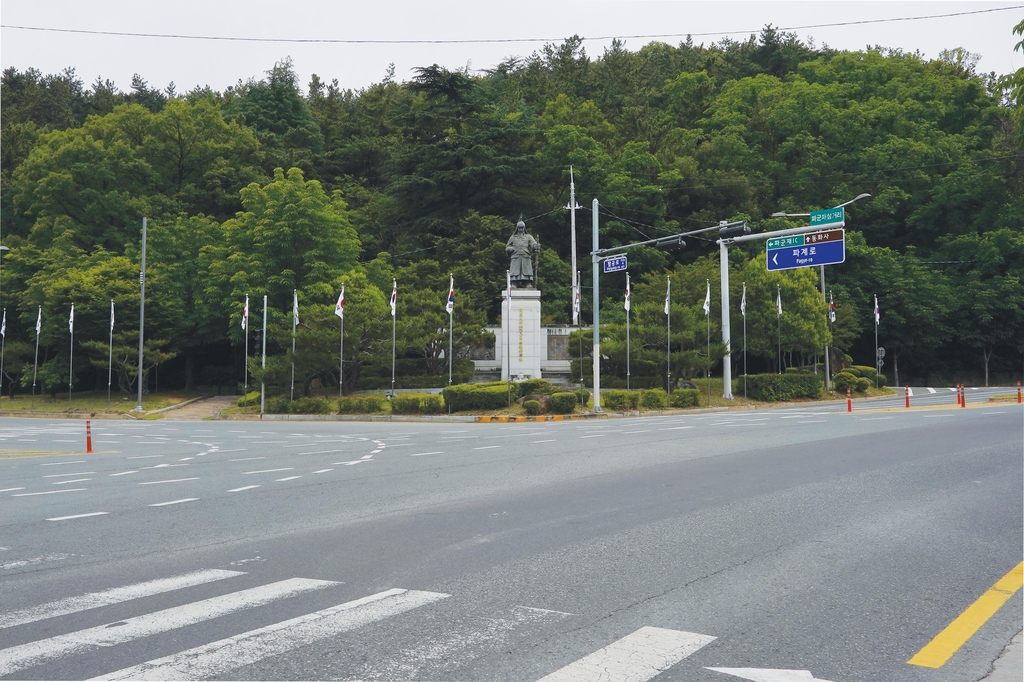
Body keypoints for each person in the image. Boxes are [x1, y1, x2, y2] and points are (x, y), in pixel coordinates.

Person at [506, 220, 540, 288]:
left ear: (524, 228)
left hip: (525, 256)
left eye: (522, 228)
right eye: (519, 228)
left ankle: (527, 283)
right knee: (515, 270)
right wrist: (510, 249)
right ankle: (514, 283)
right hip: (516, 256)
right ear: (517, 228)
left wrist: (535, 246)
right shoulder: (513, 237)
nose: (520, 229)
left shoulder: (528, 237)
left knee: (526, 270)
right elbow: (507, 247)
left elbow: (533, 243)